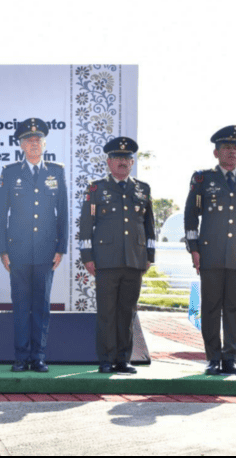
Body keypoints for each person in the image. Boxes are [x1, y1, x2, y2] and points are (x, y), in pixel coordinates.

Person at [183, 126, 236, 376]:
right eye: (227, 148)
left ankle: (230, 358)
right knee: (210, 307)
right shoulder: (203, 179)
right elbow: (190, 217)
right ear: (216, 152)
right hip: (210, 254)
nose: (232, 152)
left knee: (234, 308)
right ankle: (212, 358)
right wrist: (194, 249)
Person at [0, 118, 68, 373]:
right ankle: (20, 356)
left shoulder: (56, 171)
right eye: (29, 140)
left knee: (41, 306)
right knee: (21, 305)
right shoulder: (11, 171)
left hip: (47, 251)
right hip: (18, 250)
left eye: (38, 140)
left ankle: (38, 356)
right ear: (21, 145)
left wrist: (61, 248)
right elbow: (1, 213)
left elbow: (64, 212)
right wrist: (2, 250)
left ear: (44, 144)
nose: (34, 143)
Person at [80, 137, 155, 374]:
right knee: (107, 312)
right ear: (109, 162)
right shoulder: (96, 188)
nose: (122, 162)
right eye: (117, 158)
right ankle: (105, 359)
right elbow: (86, 225)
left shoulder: (143, 189)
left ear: (132, 162)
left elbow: (150, 226)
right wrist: (87, 256)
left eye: (126, 158)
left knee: (127, 311)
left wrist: (149, 254)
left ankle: (123, 359)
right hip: (106, 259)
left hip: (134, 259)